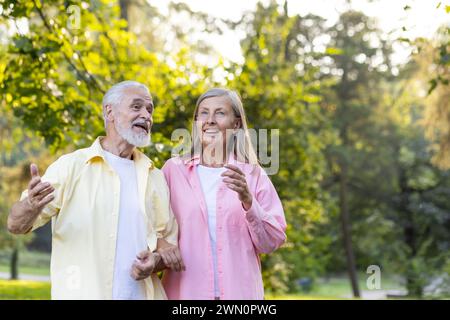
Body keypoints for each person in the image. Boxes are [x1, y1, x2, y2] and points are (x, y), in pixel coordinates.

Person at [7, 80, 184, 300]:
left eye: (150, 110)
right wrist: (30, 205)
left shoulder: (154, 176)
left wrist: (154, 262)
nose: (146, 115)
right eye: (136, 107)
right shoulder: (71, 166)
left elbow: (167, 246)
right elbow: (15, 225)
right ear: (110, 111)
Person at [161, 88, 286, 300]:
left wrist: (248, 201)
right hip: (185, 295)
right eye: (203, 113)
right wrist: (162, 245)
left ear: (236, 124)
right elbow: (152, 227)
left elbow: (271, 242)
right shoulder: (173, 171)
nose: (210, 120)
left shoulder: (253, 174)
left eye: (220, 113)